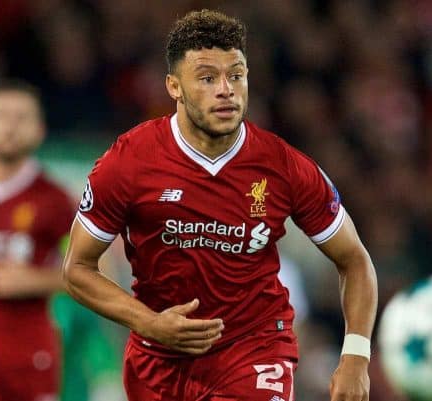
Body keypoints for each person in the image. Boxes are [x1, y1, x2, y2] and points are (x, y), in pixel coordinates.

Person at [63, 9, 378, 401]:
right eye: (208, 78)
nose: (226, 89)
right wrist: (148, 322)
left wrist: (355, 356)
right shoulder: (129, 162)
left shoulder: (284, 166)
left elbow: (355, 259)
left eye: (236, 75)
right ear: (174, 87)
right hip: (156, 361)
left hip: (254, 350)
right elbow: (77, 268)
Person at [0, 80, 75, 401]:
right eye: (1, 115)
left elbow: (99, 276)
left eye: (22, 118)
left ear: (40, 130)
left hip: (29, 363)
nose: (10, 127)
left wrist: (38, 279)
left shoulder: (56, 201)